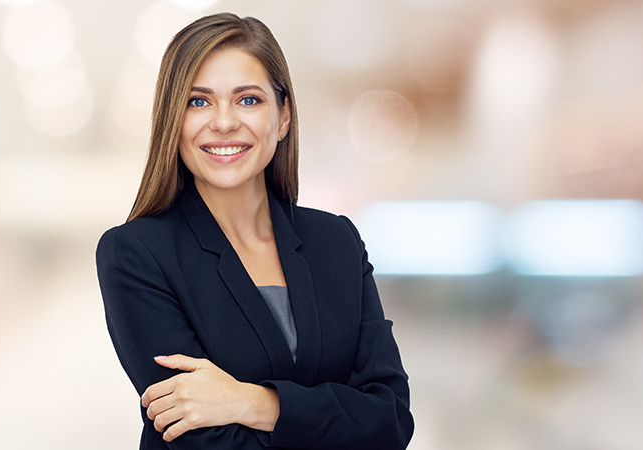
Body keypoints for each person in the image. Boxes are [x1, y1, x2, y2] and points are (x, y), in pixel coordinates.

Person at [96, 12, 414, 450]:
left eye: (248, 100)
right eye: (198, 101)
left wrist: (254, 403)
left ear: (283, 117)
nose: (224, 122)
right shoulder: (136, 254)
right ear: (172, 120)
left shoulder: (337, 242)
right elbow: (199, 440)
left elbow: (390, 420)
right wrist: (336, 420)